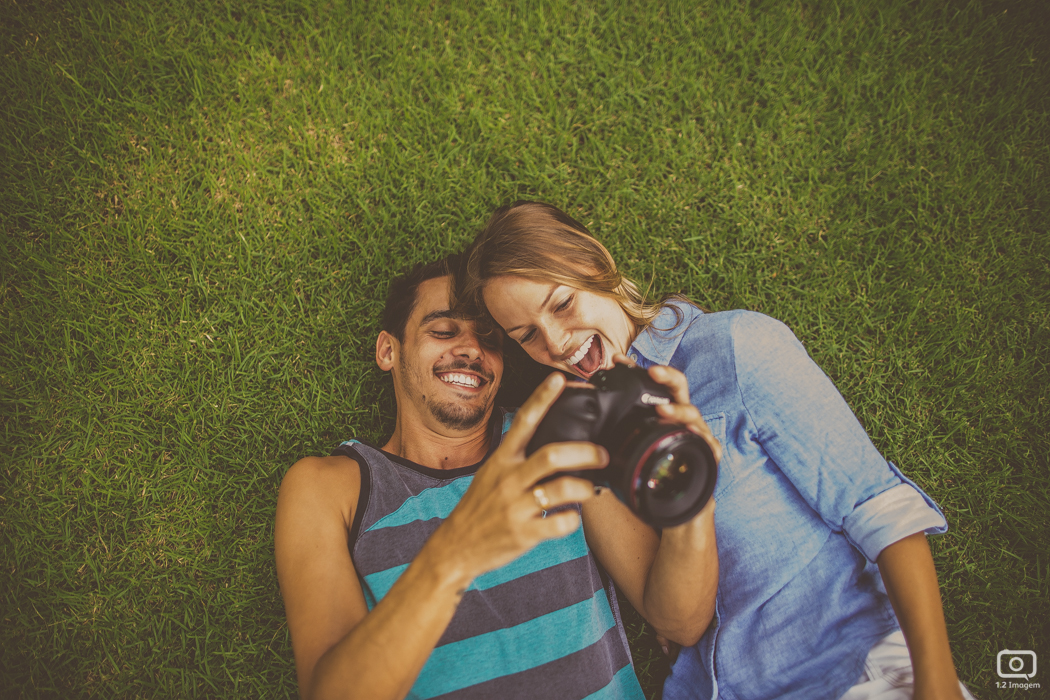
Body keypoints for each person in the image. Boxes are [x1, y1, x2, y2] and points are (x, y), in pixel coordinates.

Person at [460, 201, 977, 700]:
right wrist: (692, 495)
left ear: (595, 265)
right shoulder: (582, 443)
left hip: (850, 672)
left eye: (562, 304)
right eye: (526, 335)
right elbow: (678, 623)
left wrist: (934, 683)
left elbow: (879, 509)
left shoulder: (734, 348)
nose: (552, 342)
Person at [274, 254, 719, 700]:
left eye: (490, 339)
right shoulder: (330, 488)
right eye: (444, 331)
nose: (470, 350)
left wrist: (692, 491)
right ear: (388, 350)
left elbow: (679, 621)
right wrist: (454, 554)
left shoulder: (557, 437)